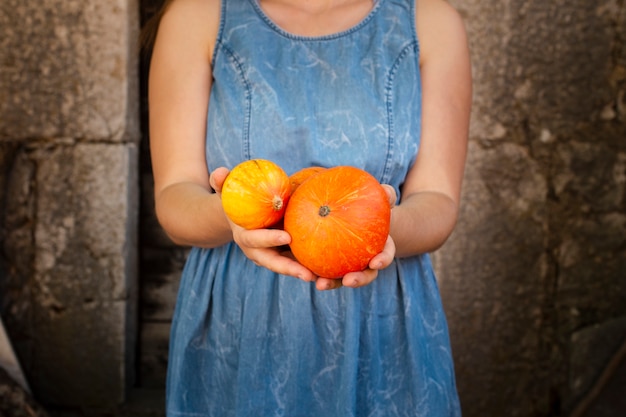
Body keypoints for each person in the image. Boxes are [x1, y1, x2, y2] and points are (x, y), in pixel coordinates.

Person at [145, 0, 471, 415]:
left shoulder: (430, 21)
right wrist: (233, 217)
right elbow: (175, 195)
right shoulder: (198, 15)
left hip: (381, 318)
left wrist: (376, 231)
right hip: (241, 321)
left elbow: (439, 201)